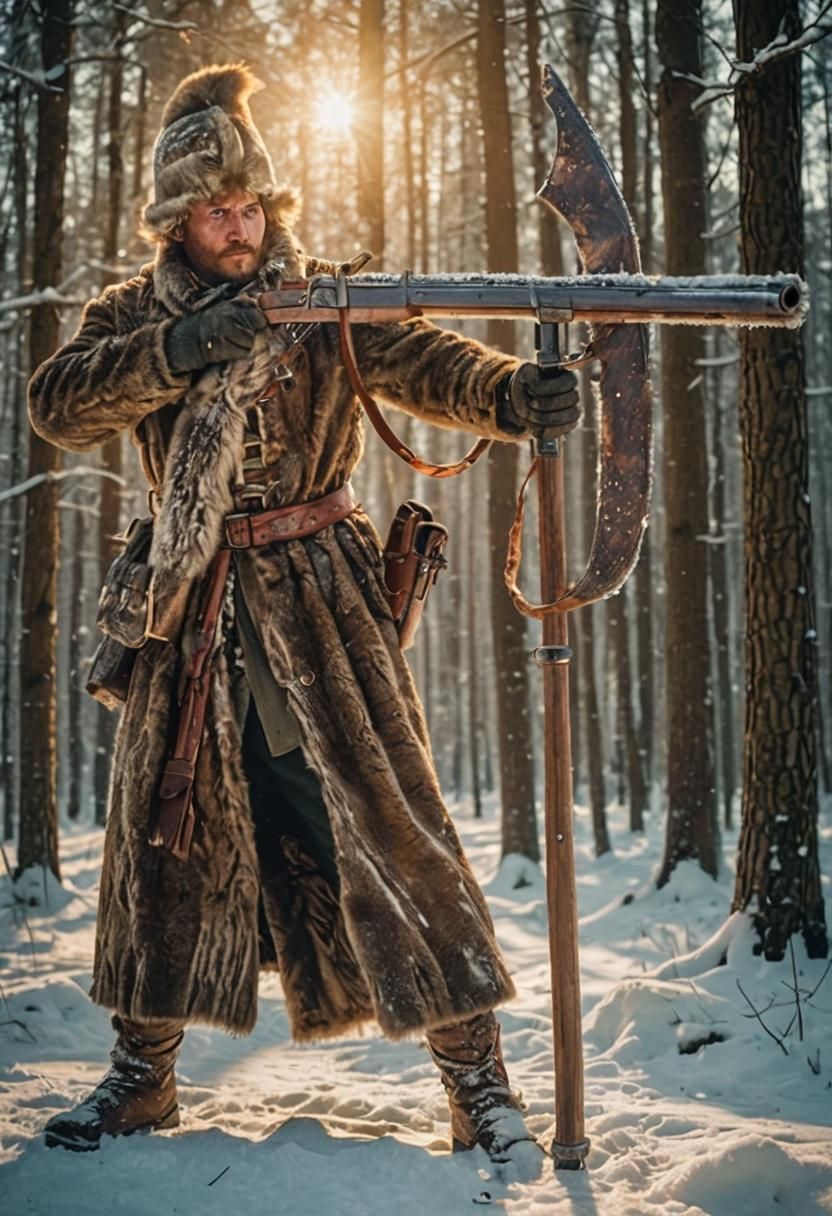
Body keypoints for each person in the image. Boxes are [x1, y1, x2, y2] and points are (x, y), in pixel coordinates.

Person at [28, 63, 579, 1159]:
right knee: (163, 838)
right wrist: (179, 352)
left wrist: (514, 395)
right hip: (185, 609)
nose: (236, 228)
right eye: (213, 210)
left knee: (391, 828)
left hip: (322, 607)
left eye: (248, 207)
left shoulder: (325, 296)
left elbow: (426, 360)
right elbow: (60, 403)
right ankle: (143, 1078)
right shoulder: (134, 314)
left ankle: (479, 1084)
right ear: (175, 220)